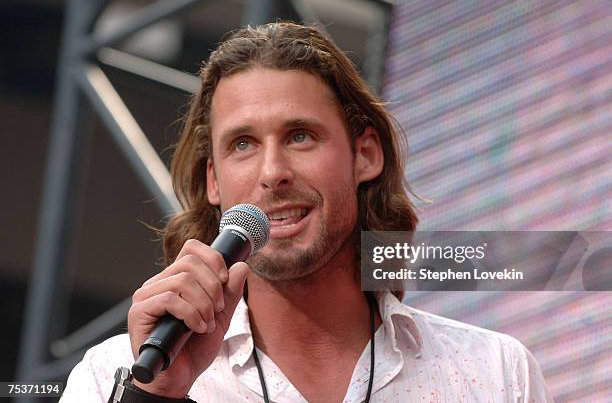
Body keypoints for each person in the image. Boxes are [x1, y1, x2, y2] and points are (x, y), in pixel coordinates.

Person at [60, 22, 553, 403]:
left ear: (365, 155)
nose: (273, 172)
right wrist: (157, 397)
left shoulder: (495, 372)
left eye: (300, 136)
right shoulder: (113, 377)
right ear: (214, 180)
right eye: (243, 144)